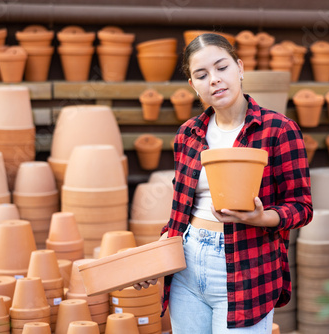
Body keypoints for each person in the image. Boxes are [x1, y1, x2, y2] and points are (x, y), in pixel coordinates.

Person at [134, 33, 313, 333]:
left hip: (246, 267)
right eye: (201, 75)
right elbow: (180, 213)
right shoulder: (187, 134)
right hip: (187, 266)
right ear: (193, 86)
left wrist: (260, 218)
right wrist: (157, 259)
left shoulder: (278, 130)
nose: (214, 80)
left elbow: (301, 207)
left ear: (240, 68)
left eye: (222, 67)